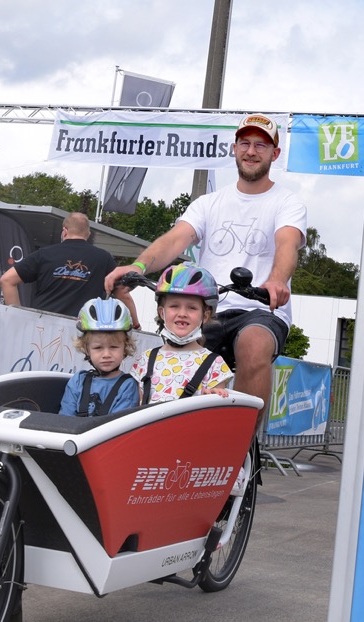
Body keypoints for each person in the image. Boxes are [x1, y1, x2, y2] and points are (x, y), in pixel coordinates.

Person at [106, 113, 307, 425]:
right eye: (244, 143)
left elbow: (287, 243)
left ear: (274, 154)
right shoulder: (208, 202)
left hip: (260, 308)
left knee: (254, 346)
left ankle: (238, 449)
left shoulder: (287, 202)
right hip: (210, 309)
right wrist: (138, 265)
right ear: (234, 148)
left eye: (260, 145)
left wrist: (277, 281)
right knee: (168, 357)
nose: (251, 151)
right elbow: (176, 240)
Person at [130, 264, 232, 403]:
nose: (182, 314)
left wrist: (216, 396)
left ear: (205, 316)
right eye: (174, 306)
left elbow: (214, 411)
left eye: (192, 308)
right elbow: (134, 408)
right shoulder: (145, 359)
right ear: (162, 312)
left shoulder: (215, 363)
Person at [0, 212, 118, 318]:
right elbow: (122, 291)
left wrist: (17, 317)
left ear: (65, 231)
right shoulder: (104, 258)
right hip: (82, 330)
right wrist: (135, 323)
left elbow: (7, 280)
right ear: (88, 234)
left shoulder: (44, 254)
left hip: (42, 326)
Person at [59, 297, 139, 417]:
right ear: (86, 349)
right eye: (98, 348)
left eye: (113, 347)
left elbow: (117, 427)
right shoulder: (78, 381)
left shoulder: (128, 386)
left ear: (125, 347)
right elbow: (64, 421)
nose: (106, 355)